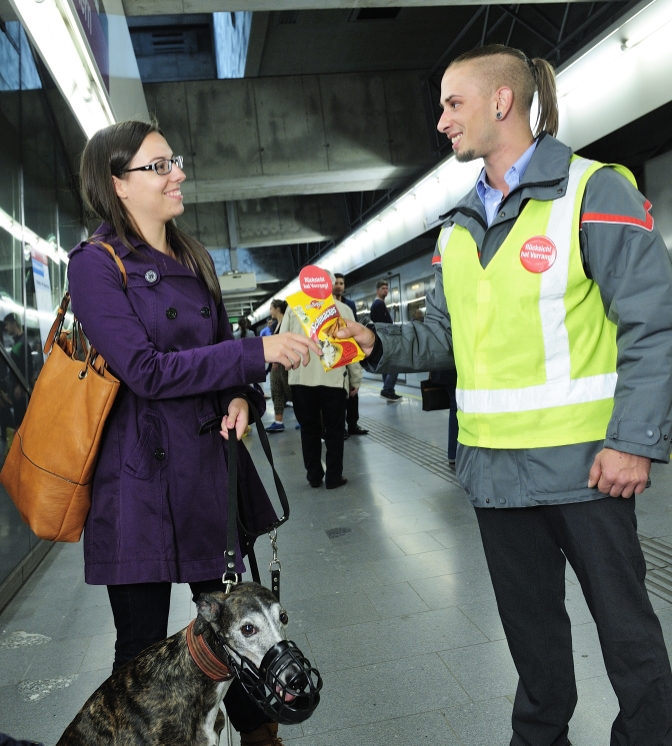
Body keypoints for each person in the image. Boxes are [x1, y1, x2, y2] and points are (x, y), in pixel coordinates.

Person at [336, 44, 672, 746]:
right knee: (533, 646)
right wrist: (370, 339)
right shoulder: (458, 227)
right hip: (496, 475)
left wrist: (632, 442)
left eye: (452, 104)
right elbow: (441, 344)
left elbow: (655, 320)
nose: (441, 122)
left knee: (629, 642)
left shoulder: (592, 189)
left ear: (501, 102)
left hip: (588, 470)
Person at [67, 120, 319, 746]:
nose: (177, 173)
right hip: (139, 486)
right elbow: (145, 371)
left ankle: (263, 738)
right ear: (117, 184)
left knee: (245, 632)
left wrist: (240, 394)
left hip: (209, 472)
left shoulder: (194, 256)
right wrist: (251, 354)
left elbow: (215, 360)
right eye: (159, 166)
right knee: (142, 651)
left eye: (173, 161)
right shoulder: (94, 267)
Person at [280, 294, 362, 489]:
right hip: (334, 379)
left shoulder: (294, 308)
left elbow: (283, 341)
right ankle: (334, 477)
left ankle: (314, 475)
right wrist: (355, 378)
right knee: (335, 429)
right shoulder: (342, 308)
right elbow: (351, 347)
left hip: (302, 378)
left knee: (309, 428)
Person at [333, 273, 368, 437]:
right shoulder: (328, 306)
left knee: (353, 392)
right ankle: (341, 427)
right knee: (339, 393)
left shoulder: (349, 305)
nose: (339, 286)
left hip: (349, 348)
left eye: (341, 283)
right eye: (336, 283)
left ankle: (353, 424)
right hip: (335, 351)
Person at [369, 279, 401, 401]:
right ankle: (388, 389)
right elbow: (383, 324)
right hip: (385, 339)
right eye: (383, 288)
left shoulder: (377, 304)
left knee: (386, 365)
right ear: (377, 290)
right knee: (395, 364)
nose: (385, 290)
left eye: (387, 288)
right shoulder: (379, 304)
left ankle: (388, 390)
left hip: (381, 340)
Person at [266, 299, 292, 433]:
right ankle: (278, 421)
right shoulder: (276, 325)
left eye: (271, 308)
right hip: (277, 364)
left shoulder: (286, 323)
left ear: (277, 309)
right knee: (276, 390)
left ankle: (303, 419)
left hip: (285, 364)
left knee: (290, 391)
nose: (270, 311)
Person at [3, 312, 32, 427]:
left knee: (21, 419)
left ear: (14, 324)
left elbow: (27, 367)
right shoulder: (17, 342)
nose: (5, 328)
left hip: (20, 389)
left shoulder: (23, 344)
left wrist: (20, 386)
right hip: (16, 386)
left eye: (7, 324)